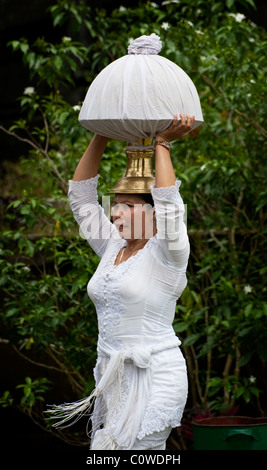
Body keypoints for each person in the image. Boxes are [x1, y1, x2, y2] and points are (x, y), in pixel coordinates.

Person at [48, 113, 195, 450]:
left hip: (156, 377)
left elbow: (171, 207)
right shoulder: (113, 244)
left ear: (152, 214)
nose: (115, 214)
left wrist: (162, 145)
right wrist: (102, 132)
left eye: (128, 206)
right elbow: (82, 199)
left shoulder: (169, 253)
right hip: (114, 382)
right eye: (115, 206)